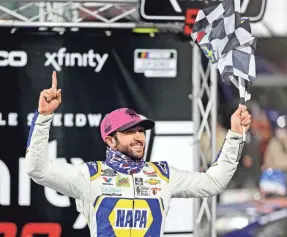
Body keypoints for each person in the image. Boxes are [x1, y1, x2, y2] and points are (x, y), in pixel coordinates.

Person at [25, 72, 252, 237]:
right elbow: (37, 169)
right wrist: (43, 117)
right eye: (129, 132)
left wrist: (235, 135)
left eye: (141, 131)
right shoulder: (90, 176)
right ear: (110, 140)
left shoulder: (161, 175)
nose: (139, 137)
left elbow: (213, 183)